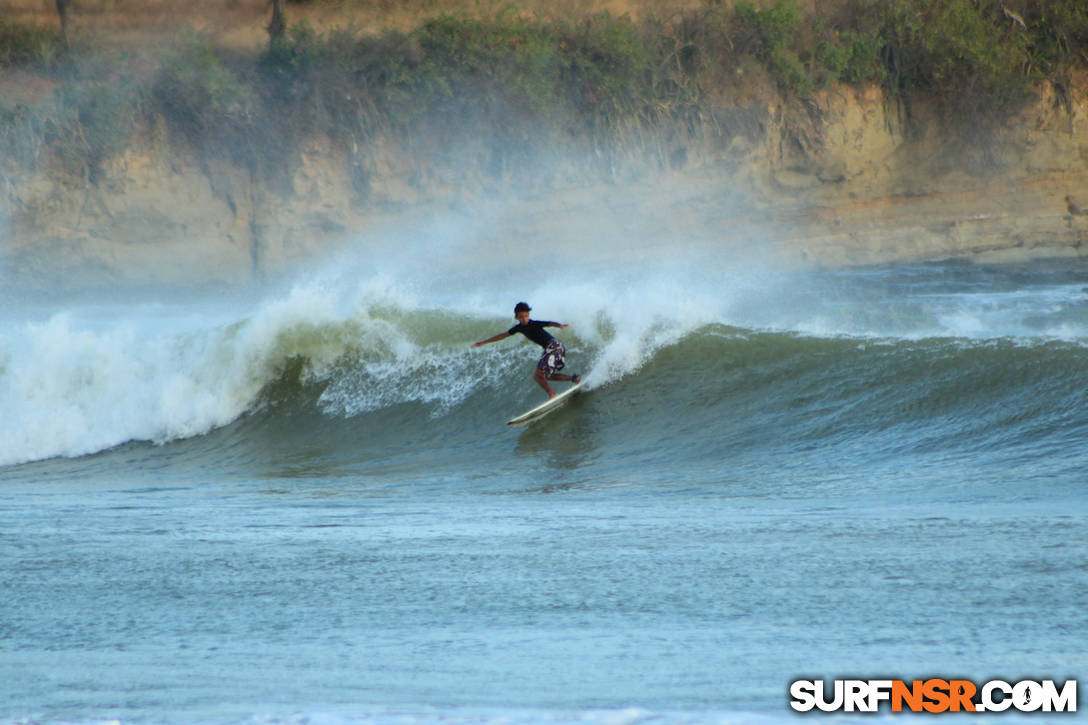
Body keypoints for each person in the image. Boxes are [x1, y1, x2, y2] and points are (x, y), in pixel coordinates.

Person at [473, 302, 581, 399]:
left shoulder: (534, 323)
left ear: (528, 315)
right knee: (546, 376)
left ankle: (552, 394)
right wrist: (484, 342)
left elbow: (549, 323)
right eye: (521, 317)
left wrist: (560, 325)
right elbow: (503, 336)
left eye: (526, 316)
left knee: (537, 376)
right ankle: (574, 378)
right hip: (553, 348)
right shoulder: (518, 328)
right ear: (516, 317)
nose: (524, 318)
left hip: (554, 346)